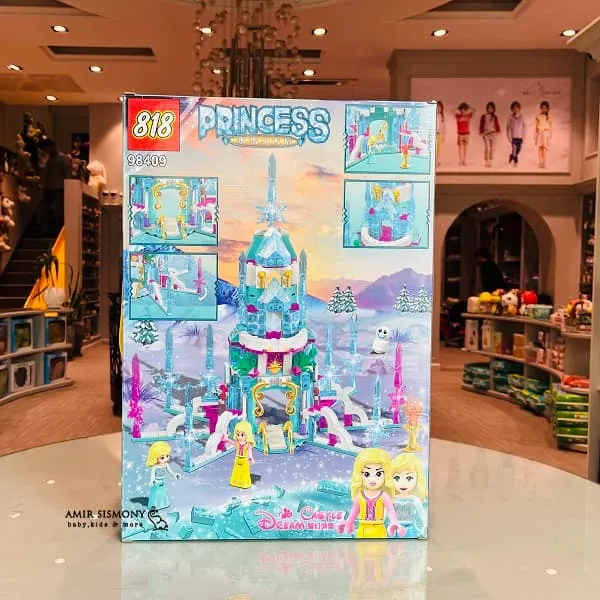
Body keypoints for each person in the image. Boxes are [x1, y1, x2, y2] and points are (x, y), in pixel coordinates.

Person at [38, 138, 71, 236]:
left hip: (59, 188)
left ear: (52, 147)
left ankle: (60, 231)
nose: (46, 152)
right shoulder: (49, 159)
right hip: (48, 187)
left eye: (46, 149)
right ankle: (47, 229)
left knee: (59, 211)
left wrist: (67, 188)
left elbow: (67, 174)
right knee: (44, 209)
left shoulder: (63, 158)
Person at [479, 101, 500, 167]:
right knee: (487, 148)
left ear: (493, 109)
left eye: (491, 108)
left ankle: (490, 161)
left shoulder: (495, 117)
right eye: (489, 108)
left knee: (492, 148)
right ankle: (486, 161)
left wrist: (498, 131)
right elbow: (481, 125)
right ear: (487, 108)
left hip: (493, 133)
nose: (490, 109)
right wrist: (481, 132)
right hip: (486, 134)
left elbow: (497, 124)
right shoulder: (483, 116)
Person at [455, 102, 475, 167]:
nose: (463, 111)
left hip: (466, 134)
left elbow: (474, 111)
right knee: (460, 148)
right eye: (461, 109)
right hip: (460, 134)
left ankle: (464, 160)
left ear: (466, 110)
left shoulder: (468, 115)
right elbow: (452, 111)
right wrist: (458, 107)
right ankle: (460, 160)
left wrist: (468, 107)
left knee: (465, 148)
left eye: (464, 110)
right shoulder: (457, 115)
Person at [506, 101, 526, 166]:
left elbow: (524, 126)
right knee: (514, 150)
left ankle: (511, 156)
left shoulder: (522, 117)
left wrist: (524, 135)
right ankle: (515, 162)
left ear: (519, 108)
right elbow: (508, 128)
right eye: (514, 108)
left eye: (517, 108)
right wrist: (509, 137)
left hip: (520, 137)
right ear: (512, 109)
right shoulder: (510, 117)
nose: (515, 109)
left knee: (519, 149)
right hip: (513, 137)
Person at [535, 100, 552, 169]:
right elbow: (536, 126)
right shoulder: (538, 116)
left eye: (545, 108)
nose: (544, 109)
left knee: (545, 148)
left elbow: (550, 127)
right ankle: (540, 162)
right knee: (540, 147)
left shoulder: (549, 118)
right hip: (540, 133)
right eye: (542, 108)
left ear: (547, 109)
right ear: (541, 108)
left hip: (546, 133)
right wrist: (535, 136)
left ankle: (544, 162)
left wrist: (550, 135)